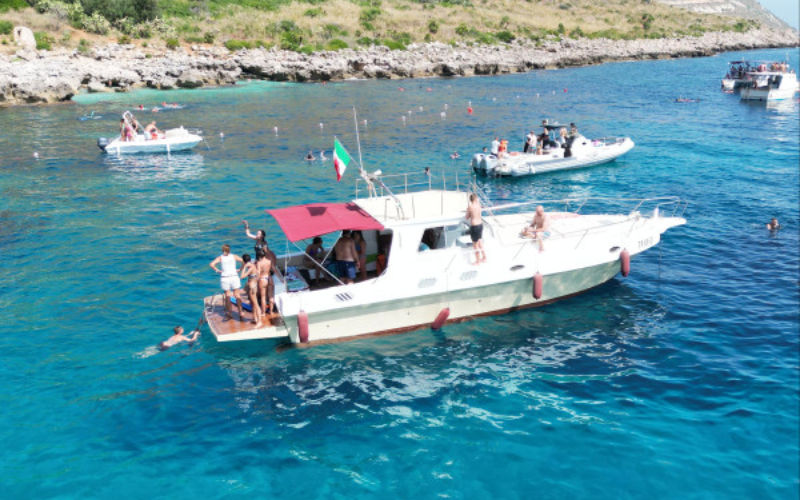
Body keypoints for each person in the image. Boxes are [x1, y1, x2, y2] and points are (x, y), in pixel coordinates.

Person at [209, 244, 244, 321]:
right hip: (234, 276)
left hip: (225, 277)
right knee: (237, 295)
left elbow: (211, 264)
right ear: (229, 250)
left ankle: (229, 314)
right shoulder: (234, 256)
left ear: (222, 250)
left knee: (227, 296)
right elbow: (243, 261)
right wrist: (240, 269)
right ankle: (241, 312)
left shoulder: (220, 258)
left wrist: (217, 270)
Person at [239, 254, 262, 326]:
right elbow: (258, 274)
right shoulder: (253, 265)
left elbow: (242, 276)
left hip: (252, 287)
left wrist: (244, 268)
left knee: (256, 304)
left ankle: (259, 322)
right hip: (253, 286)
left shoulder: (250, 268)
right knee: (252, 304)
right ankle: (255, 318)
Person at [466, 193, 486, 264]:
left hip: (475, 227)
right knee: (479, 242)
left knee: (475, 245)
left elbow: (467, 217)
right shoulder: (479, 206)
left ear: (471, 200)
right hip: (480, 225)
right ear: (476, 199)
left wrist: (467, 211)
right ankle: (484, 257)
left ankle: (477, 261)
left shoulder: (470, 207)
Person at [255, 250, 274, 316]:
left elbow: (258, 272)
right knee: (271, 295)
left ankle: (263, 312)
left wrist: (255, 281)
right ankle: (271, 311)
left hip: (262, 279)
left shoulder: (259, 263)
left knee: (263, 297)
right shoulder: (269, 261)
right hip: (269, 278)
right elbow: (273, 269)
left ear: (259, 256)